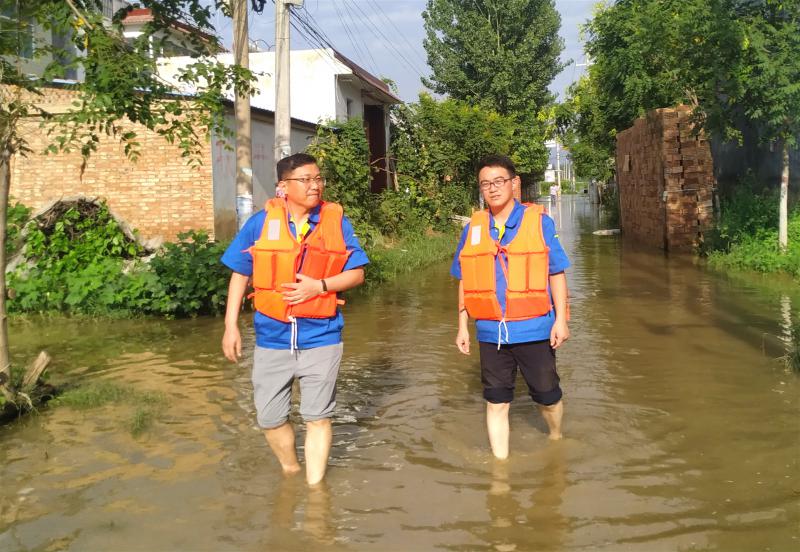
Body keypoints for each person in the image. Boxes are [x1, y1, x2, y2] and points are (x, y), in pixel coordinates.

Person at [221, 152, 368, 485]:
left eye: (318, 179)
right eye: (305, 180)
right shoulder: (260, 224)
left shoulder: (336, 222)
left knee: (318, 417)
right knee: (270, 418)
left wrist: (320, 286)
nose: (315, 186)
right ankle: (291, 470)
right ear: (283, 187)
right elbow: (240, 274)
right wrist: (231, 326)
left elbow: (357, 273)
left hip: (322, 336)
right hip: (272, 338)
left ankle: (315, 493)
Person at [452, 155, 570, 459]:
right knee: (496, 400)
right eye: (485, 184)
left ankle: (556, 436)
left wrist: (561, 320)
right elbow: (465, 278)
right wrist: (462, 326)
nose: (492, 189)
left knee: (547, 396)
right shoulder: (473, 228)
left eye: (499, 181)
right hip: (491, 332)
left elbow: (556, 272)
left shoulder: (540, 222)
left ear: (514, 183)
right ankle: (500, 472)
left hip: (534, 328)